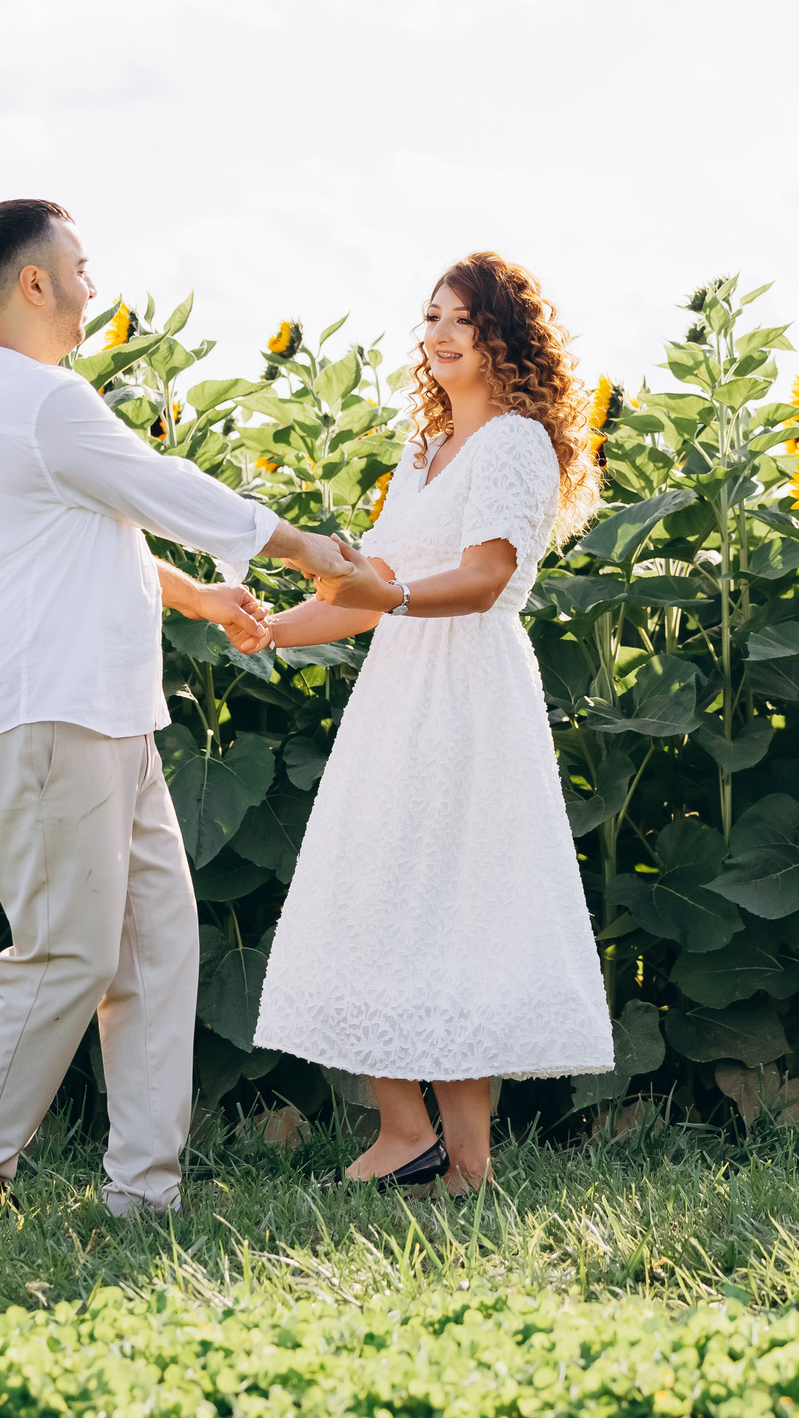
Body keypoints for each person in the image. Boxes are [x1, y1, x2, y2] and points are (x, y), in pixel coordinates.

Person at [0, 199, 356, 1221]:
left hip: (109, 716)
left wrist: (194, 595)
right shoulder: (38, 399)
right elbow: (163, 485)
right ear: (34, 282)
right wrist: (308, 550)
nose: (90, 288)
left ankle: (142, 1197)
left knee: (157, 951)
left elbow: (85, 527)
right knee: (69, 951)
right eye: (79, 267)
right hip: (53, 716)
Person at [252, 251, 613, 1194]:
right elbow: (370, 590)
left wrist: (394, 590)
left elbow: (486, 576)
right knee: (373, 891)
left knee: (456, 906)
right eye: (432, 318)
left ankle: (469, 1160)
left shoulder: (516, 444)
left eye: (464, 318)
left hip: (469, 695)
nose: (442, 334)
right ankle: (403, 1130)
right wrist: (275, 630)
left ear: (507, 338)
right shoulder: (422, 454)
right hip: (399, 690)